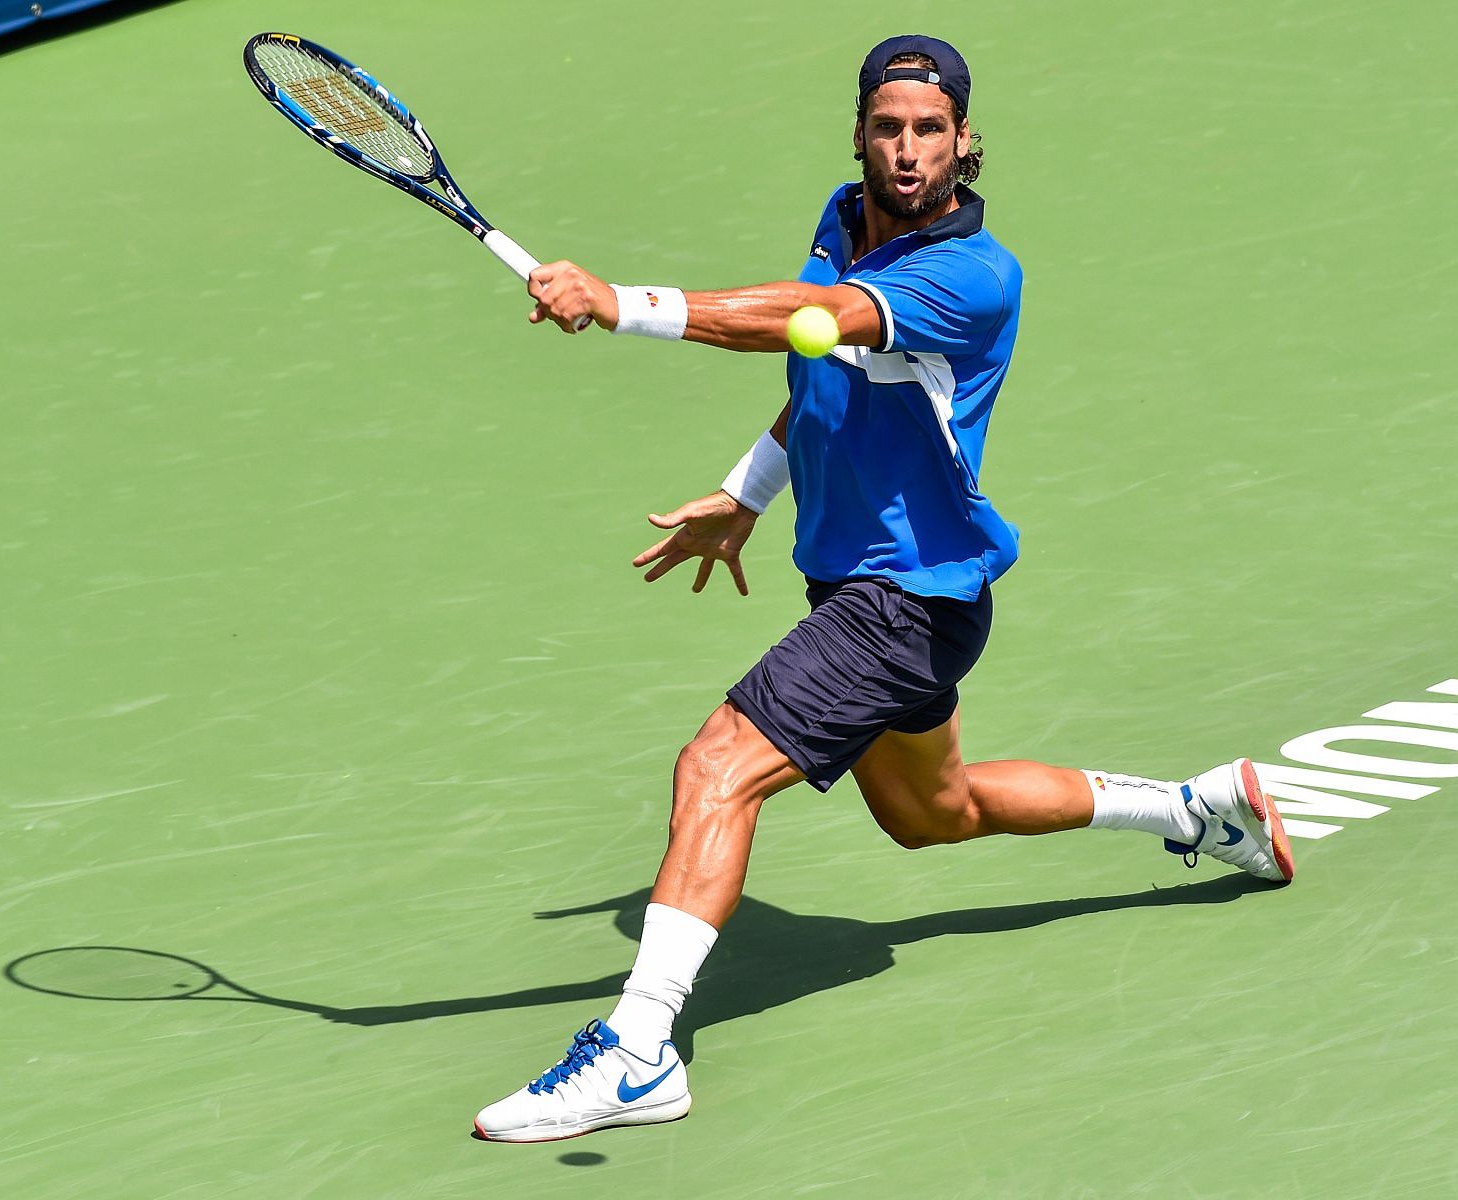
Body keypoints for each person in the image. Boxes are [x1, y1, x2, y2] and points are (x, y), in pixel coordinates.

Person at [472, 34, 1294, 1143]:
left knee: (717, 767)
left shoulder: (970, 275)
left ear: (964, 143)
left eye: (929, 132)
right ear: (859, 132)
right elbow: (817, 373)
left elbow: (805, 320)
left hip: (903, 599)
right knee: (932, 812)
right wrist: (747, 492)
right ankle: (1200, 807)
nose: (906, 153)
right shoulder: (842, 214)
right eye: (886, 128)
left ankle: (636, 1051)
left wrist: (620, 301)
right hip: (867, 585)